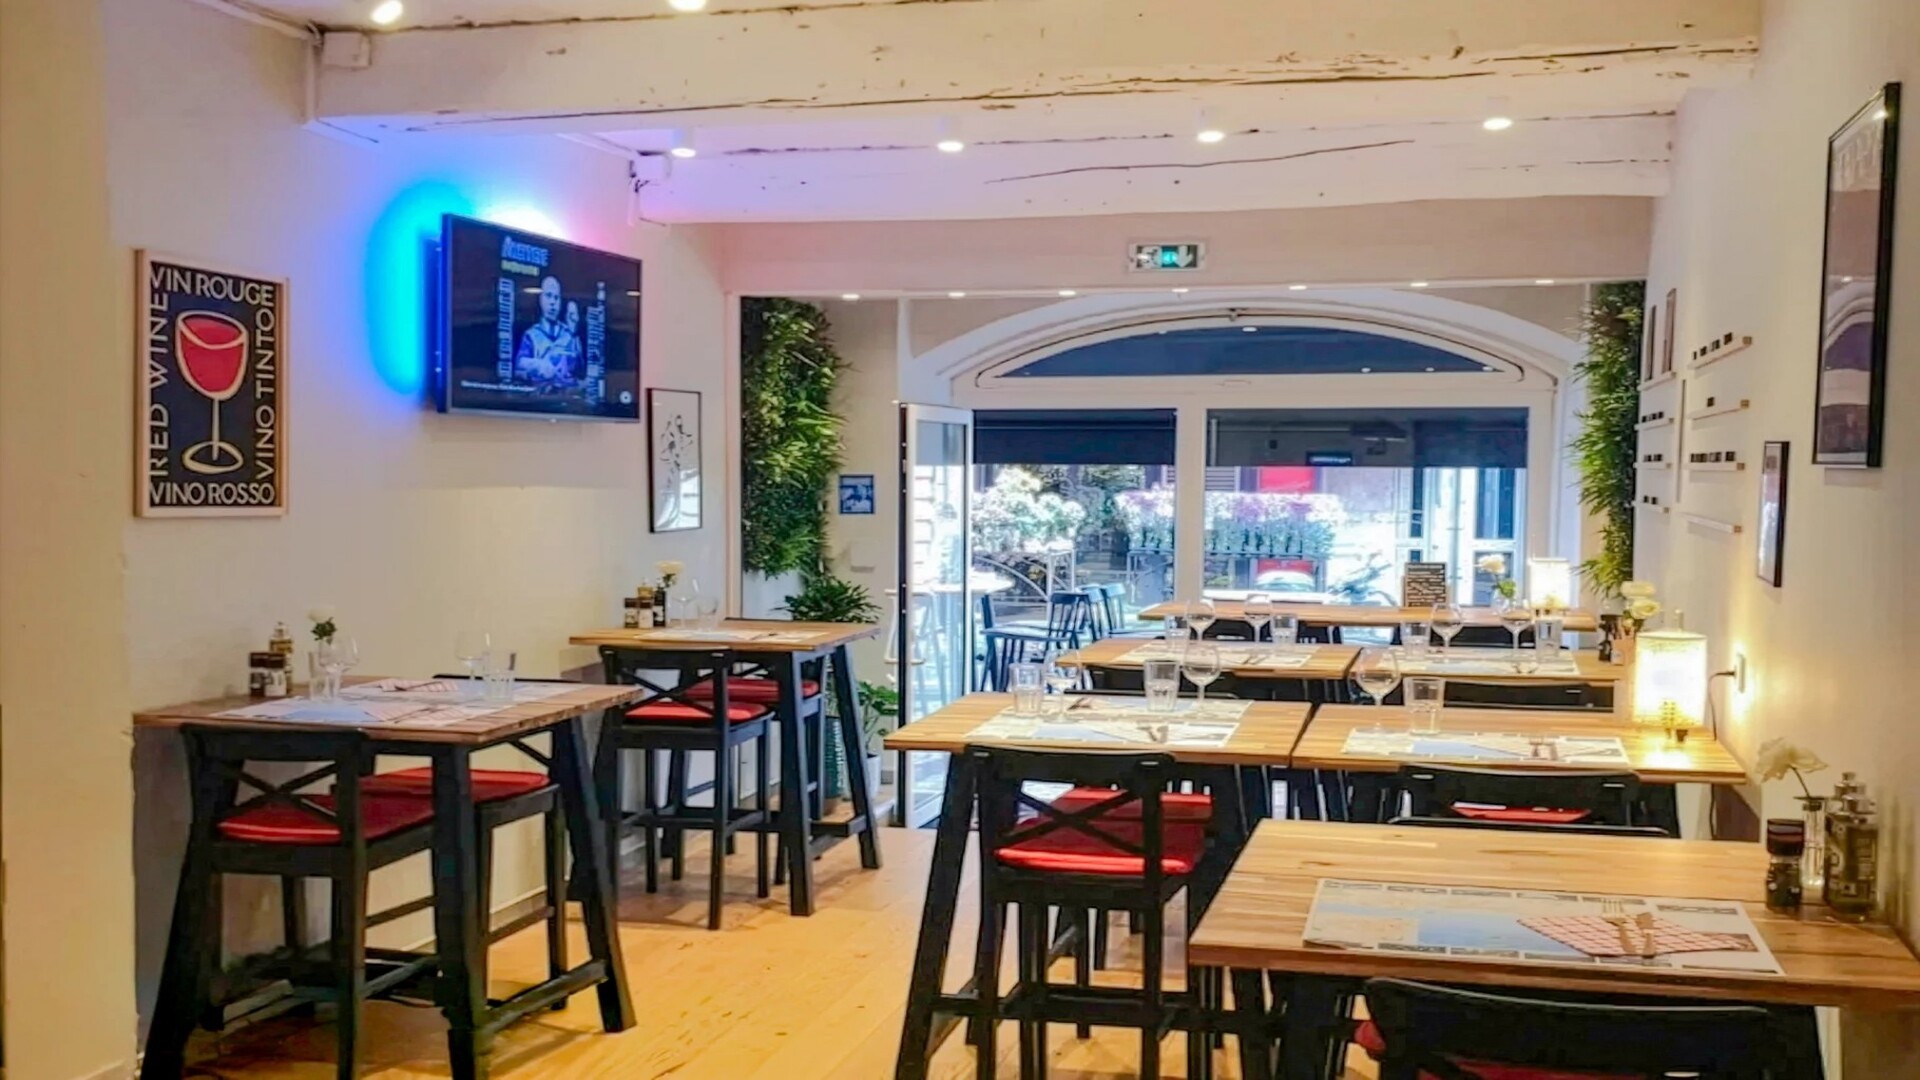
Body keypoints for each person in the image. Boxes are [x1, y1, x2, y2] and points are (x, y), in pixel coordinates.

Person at [514, 276, 580, 385]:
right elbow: (519, 365)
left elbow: (580, 370)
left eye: (556, 298)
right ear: (541, 299)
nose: (552, 302)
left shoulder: (569, 335)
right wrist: (539, 366)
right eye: (548, 296)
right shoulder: (531, 335)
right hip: (539, 393)